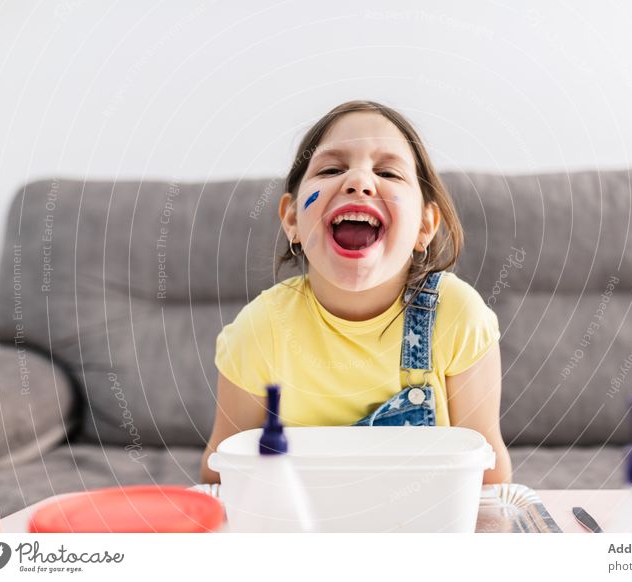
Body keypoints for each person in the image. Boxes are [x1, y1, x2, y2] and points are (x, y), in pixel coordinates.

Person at [201, 100, 512, 484]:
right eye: (331, 169)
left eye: (387, 172)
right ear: (292, 218)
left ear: (425, 226)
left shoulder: (456, 315)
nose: (359, 182)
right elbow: (220, 474)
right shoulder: (260, 329)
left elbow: (488, 480)